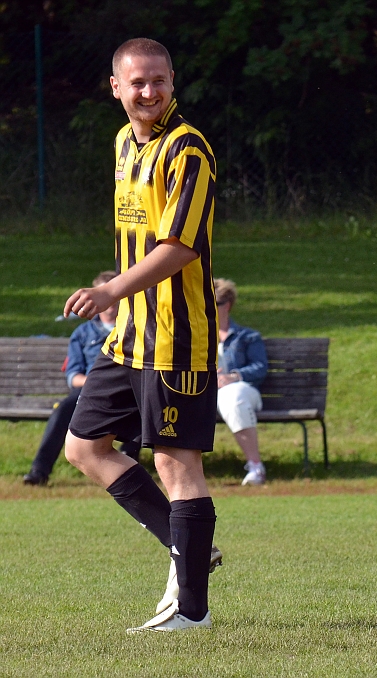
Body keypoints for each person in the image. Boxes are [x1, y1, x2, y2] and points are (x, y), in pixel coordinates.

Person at [62, 37, 220, 633]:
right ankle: (191, 552)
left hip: (178, 338)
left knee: (178, 465)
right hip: (127, 336)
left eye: (159, 81)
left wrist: (109, 291)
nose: (149, 92)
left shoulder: (189, 151)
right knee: (84, 448)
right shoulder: (125, 142)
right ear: (116, 88)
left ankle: (192, 609)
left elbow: (179, 248)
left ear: (173, 81)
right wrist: (119, 304)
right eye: (137, 83)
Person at [23, 272, 141, 485]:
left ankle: (129, 466)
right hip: (91, 390)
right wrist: (97, 383)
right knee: (63, 409)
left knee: (144, 403)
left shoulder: (135, 328)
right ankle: (38, 471)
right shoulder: (83, 333)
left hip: (129, 388)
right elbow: (73, 376)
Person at [213, 277, 269, 485]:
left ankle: (255, 467)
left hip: (243, 391)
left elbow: (259, 368)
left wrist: (233, 377)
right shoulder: (196, 337)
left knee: (233, 396)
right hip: (206, 394)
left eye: (214, 304)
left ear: (227, 305)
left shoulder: (247, 337)